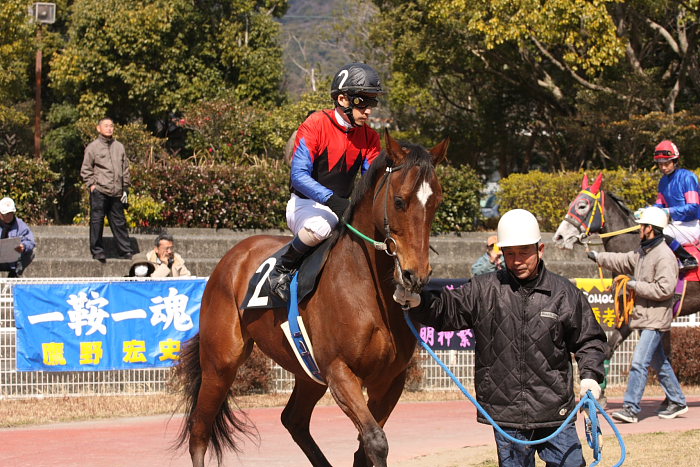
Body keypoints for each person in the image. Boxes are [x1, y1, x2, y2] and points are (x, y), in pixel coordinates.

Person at [395, 209, 606, 467]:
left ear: (540, 249)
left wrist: (590, 377)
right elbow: (447, 309)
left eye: (524, 252)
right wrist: (419, 302)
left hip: (555, 412)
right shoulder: (483, 289)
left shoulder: (564, 293)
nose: (517, 260)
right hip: (506, 414)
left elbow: (590, 340)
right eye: (510, 253)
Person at [267, 63, 384, 301]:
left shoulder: (370, 137)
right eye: (363, 102)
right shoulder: (315, 124)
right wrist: (333, 201)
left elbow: (375, 181)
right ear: (342, 99)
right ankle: (282, 267)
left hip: (342, 209)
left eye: (372, 102)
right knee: (323, 225)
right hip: (305, 206)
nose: (368, 110)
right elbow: (298, 176)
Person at [587, 206, 687, 423]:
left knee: (639, 363)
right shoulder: (644, 252)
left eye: (642, 226)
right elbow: (622, 260)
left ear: (650, 229)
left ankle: (631, 409)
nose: (639, 229)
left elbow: (665, 289)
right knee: (660, 362)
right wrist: (597, 257)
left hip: (655, 319)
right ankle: (678, 401)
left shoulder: (665, 256)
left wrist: (633, 285)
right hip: (645, 318)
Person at [80, 117, 133, 262]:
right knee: (97, 221)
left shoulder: (119, 146)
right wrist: (92, 185)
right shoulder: (93, 147)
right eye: (106, 126)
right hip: (100, 190)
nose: (109, 128)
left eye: (111, 126)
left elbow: (125, 168)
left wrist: (126, 187)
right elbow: (86, 168)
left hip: (116, 191)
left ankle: (125, 250)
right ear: (99, 128)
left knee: (119, 221)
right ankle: (97, 251)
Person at [652, 140, 699, 270]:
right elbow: (659, 205)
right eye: (660, 164)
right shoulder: (663, 182)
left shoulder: (688, 177)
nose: (663, 167)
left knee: (659, 234)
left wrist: (669, 211)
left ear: (675, 161)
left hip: (691, 225)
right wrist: (646, 211)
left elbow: (693, 206)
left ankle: (688, 259)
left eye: (666, 163)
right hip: (675, 225)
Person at [0, 197, 35, 277]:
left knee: (31, 252)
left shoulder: (20, 224)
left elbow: (31, 241)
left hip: (12, 260)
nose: (8, 216)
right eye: (6, 214)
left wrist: (23, 246)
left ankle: (15, 273)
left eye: (11, 213)